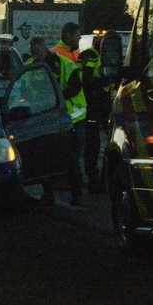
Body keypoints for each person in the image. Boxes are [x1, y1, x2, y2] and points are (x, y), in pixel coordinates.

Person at [26, 33, 85, 207]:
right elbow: (23, 90)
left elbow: (75, 88)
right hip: (44, 117)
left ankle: (77, 195)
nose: (36, 56)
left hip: (70, 117)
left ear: (46, 49)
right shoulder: (29, 67)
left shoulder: (64, 64)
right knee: (45, 158)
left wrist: (57, 98)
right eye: (33, 53)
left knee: (71, 158)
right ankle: (48, 194)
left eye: (38, 52)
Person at [78, 35, 114, 194]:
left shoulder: (108, 56)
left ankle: (105, 179)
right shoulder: (90, 55)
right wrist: (105, 81)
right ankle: (93, 180)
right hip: (92, 104)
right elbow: (86, 80)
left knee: (110, 142)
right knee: (93, 144)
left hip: (106, 103)